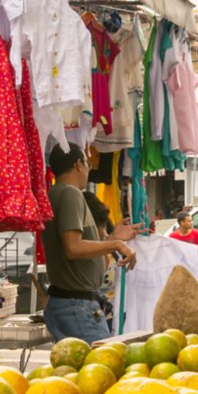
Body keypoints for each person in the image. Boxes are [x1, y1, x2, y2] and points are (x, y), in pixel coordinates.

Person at [40, 143, 138, 341]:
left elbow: (76, 249)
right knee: (104, 364)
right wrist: (116, 245)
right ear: (78, 164)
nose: (90, 168)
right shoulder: (70, 193)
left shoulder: (55, 194)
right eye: (87, 162)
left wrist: (112, 239)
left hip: (70, 303)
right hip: (77, 306)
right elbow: (72, 247)